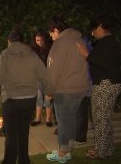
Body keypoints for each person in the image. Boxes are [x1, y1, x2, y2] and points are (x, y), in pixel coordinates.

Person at [0, 29, 47, 164]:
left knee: (11, 134)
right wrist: (50, 91)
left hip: (11, 101)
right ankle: (24, 160)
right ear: (22, 41)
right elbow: (44, 75)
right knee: (23, 132)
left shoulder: (4, 56)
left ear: (9, 41)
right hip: (29, 100)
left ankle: (9, 161)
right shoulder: (32, 55)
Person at [77, 14, 121, 159]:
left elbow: (106, 63)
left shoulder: (108, 42)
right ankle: (106, 149)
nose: (92, 33)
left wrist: (87, 55)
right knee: (103, 119)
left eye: (94, 29)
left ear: (100, 27)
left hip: (106, 83)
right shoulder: (107, 42)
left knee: (101, 119)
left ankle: (101, 152)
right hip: (105, 83)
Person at [44, 16, 89, 163]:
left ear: (56, 30)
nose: (50, 36)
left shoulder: (59, 44)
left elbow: (53, 72)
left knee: (63, 121)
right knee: (71, 119)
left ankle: (62, 154)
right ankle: (68, 148)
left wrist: (49, 92)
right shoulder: (79, 40)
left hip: (65, 90)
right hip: (81, 88)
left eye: (50, 33)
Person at [29, 29, 55, 127]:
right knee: (39, 97)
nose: (39, 42)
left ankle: (48, 118)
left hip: (48, 77)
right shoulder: (33, 49)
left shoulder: (50, 48)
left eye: (41, 40)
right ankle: (38, 118)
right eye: (37, 40)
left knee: (48, 97)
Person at [75, 36, 93, 145]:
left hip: (85, 84)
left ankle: (80, 137)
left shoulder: (86, 50)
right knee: (80, 111)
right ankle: (79, 135)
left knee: (81, 111)